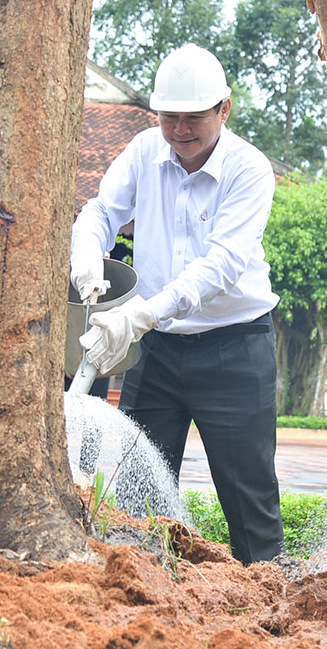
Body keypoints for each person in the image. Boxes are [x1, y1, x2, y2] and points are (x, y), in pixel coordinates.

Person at [71, 44, 284, 565]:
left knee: (248, 494)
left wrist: (139, 313)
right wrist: (85, 257)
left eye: (193, 119)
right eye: (169, 118)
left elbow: (221, 265)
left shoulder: (249, 169)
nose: (180, 130)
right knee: (134, 488)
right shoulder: (145, 150)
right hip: (158, 351)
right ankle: (139, 596)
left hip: (235, 348)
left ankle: (271, 607)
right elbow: (103, 210)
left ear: (224, 111)